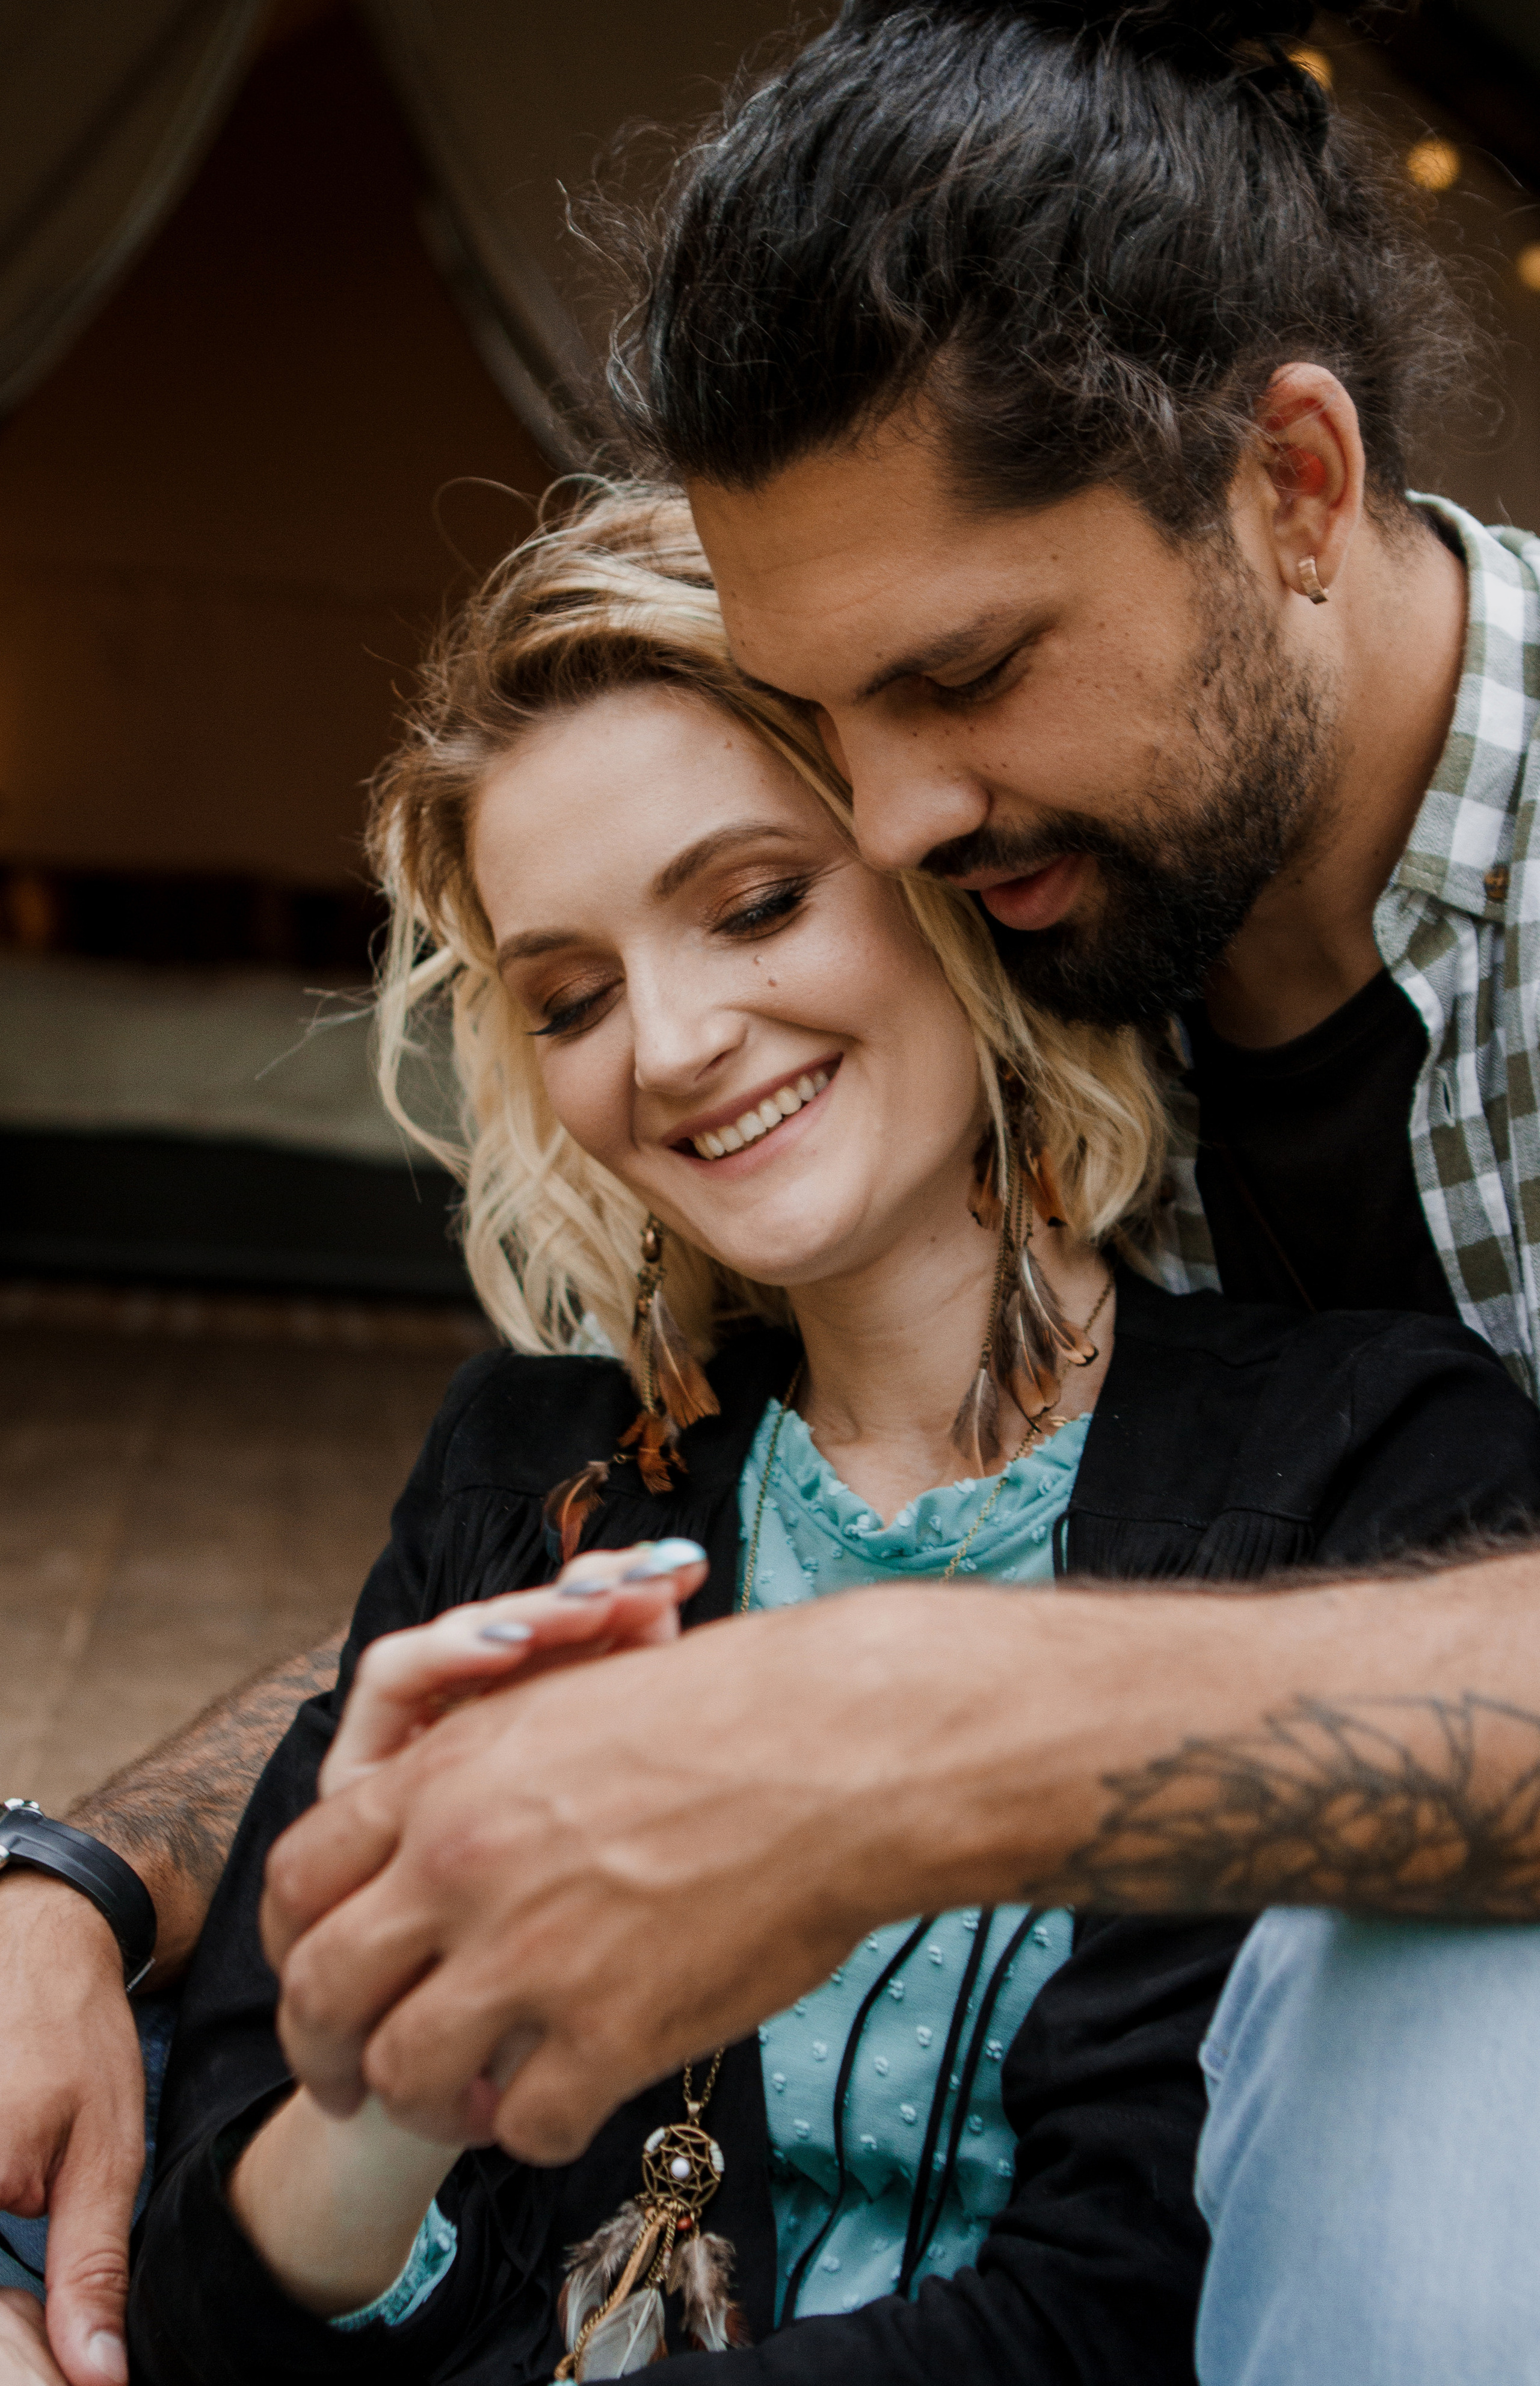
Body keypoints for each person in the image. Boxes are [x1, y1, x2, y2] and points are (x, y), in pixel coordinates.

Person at [4, 1, 1540, 2379]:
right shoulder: (1079, 884)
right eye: (843, 733)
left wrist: (891, 1725)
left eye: (964, 673)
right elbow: (671, 1548)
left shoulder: (1324, 1411)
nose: (914, 819)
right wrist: (84, 1879)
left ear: (1294, 492)